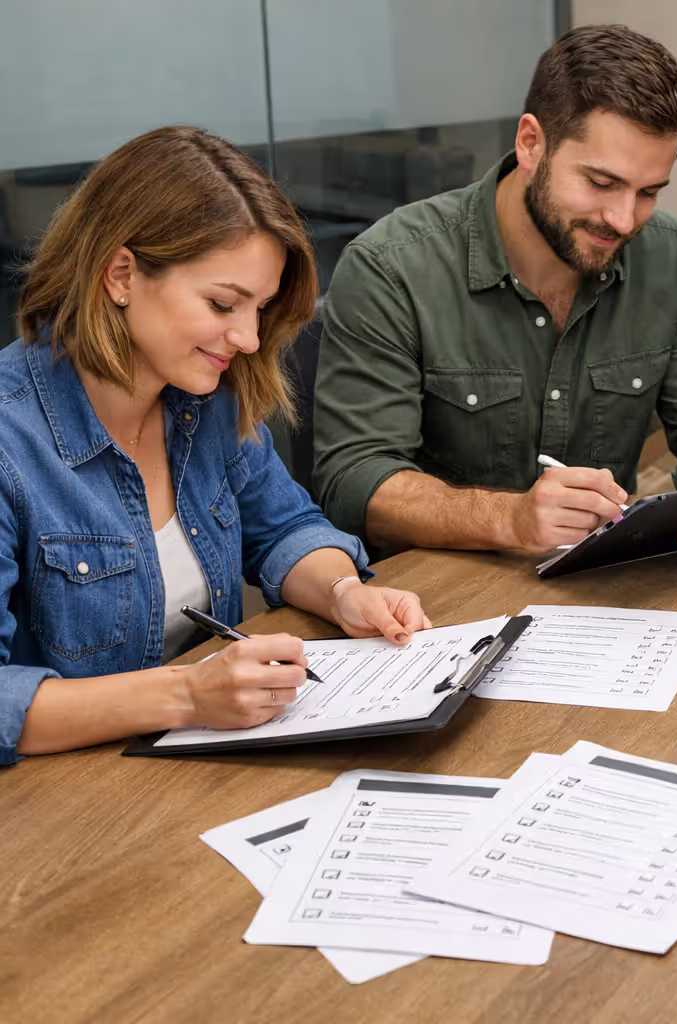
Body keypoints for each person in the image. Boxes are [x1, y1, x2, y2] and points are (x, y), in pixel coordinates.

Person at [0, 126, 429, 766]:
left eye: (259, 308)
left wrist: (344, 591)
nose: (250, 338)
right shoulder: (13, 441)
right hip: (64, 816)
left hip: (205, 769)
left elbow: (284, 527)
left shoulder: (205, 395)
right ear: (122, 274)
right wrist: (187, 696)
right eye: (224, 303)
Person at [313, 25, 677, 563]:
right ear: (531, 143)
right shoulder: (392, 266)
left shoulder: (674, 257)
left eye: (648, 191)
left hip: (600, 591)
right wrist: (508, 518)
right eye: (601, 183)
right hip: (432, 606)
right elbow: (353, 481)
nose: (624, 219)